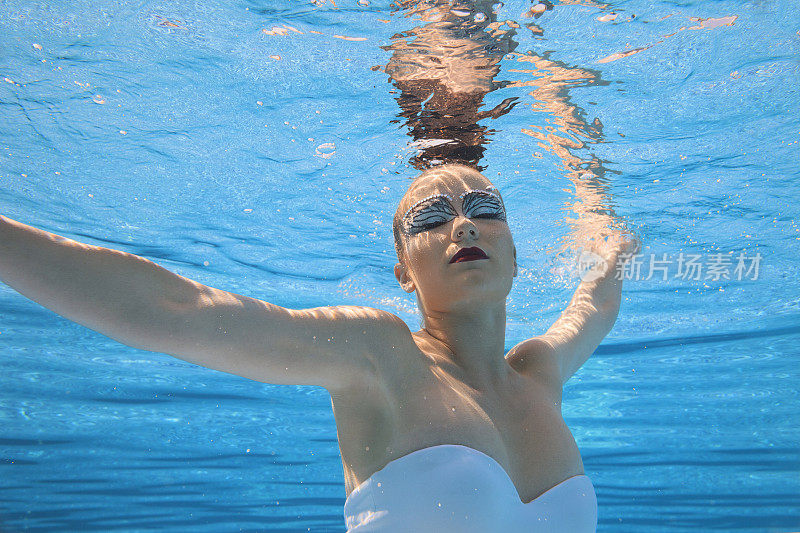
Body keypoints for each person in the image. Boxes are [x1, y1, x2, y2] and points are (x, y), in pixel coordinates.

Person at [0, 162, 637, 532]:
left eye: (482, 207)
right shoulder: (378, 354)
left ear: (516, 251)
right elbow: (176, 310)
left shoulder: (537, 373)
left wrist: (605, 222)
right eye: (429, 218)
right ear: (402, 271)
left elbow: (597, 303)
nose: (461, 222)